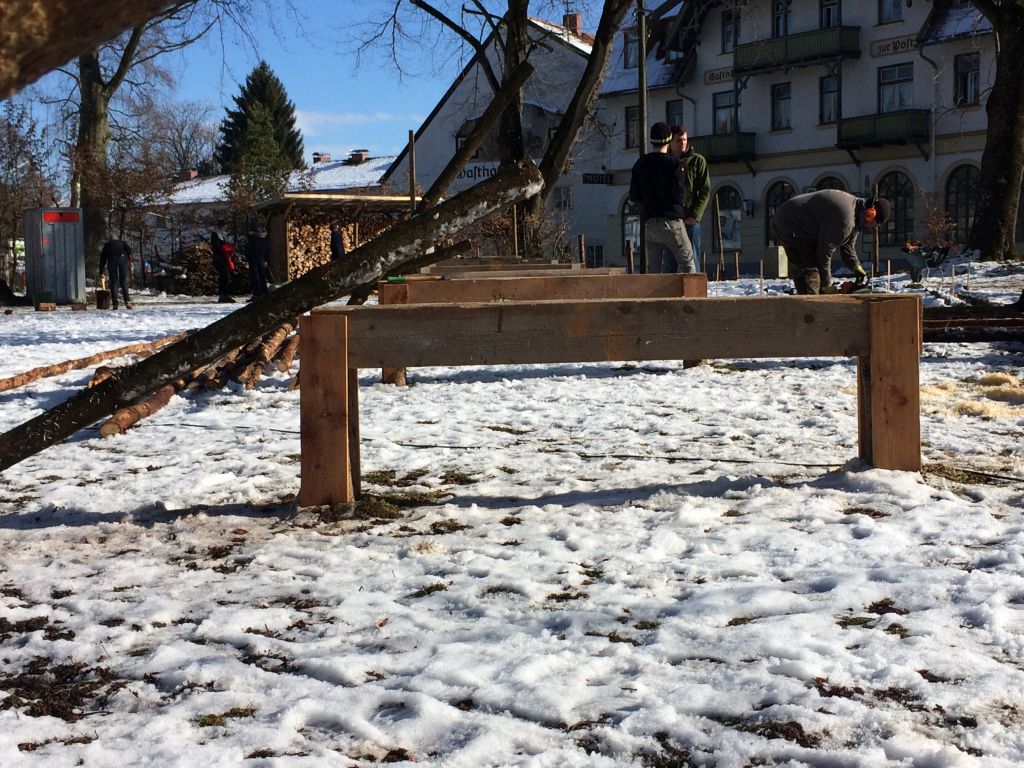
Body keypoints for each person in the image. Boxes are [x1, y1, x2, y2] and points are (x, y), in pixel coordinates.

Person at [773, 190, 890, 295]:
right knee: (811, 271)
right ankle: (810, 307)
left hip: (801, 226)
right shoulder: (846, 219)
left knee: (811, 273)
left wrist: (856, 266)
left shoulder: (857, 215)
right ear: (870, 214)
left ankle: (809, 304)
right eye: (876, 224)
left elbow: (847, 246)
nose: (873, 228)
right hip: (791, 223)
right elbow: (824, 253)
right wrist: (827, 285)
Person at [628, 121, 694, 274]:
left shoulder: (641, 163)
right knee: (687, 264)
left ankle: (654, 290)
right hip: (672, 221)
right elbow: (679, 195)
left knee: (653, 270)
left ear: (651, 141)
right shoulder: (674, 164)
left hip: (650, 221)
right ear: (669, 140)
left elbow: (634, 195)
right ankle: (691, 290)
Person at [670, 125, 711, 273]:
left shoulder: (697, 161)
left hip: (690, 220)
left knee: (692, 264)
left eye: (685, 140)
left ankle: (694, 287)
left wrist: (695, 216)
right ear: (670, 142)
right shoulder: (666, 161)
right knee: (669, 264)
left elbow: (705, 191)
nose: (682, 143)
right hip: (670, 221)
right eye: (679, 140)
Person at [98, 236, 133, 309]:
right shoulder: (123, 243)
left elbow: (102, 259)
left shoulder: (107, 245)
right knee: (124, 281)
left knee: (114, 282)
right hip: (123, 259)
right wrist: (130, 264)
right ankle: (127, 302)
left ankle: (115, 304)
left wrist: (101, 271)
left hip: (111, 260)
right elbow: (130, 253)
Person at [210, 219, 235, 303]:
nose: (226, 228)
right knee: (224, 276)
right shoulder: (215, 234)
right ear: (221, 226)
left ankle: (226, 294)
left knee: (226, 276)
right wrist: (225, 248)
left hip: (226, 257)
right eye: (225, 226)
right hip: (220, 258)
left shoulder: (224, 235)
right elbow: (216, 247)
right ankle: (222, 295)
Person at [246, 220, 270, 300]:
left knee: (255, 276)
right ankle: (264, 292)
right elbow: (267, 248)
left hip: (254, 258)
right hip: (261, 258)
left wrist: (248, 256)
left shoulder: (252, 237)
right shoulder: (264, 237)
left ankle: (257, 294)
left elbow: (249, 248)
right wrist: (266, 259)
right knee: (262, 276)